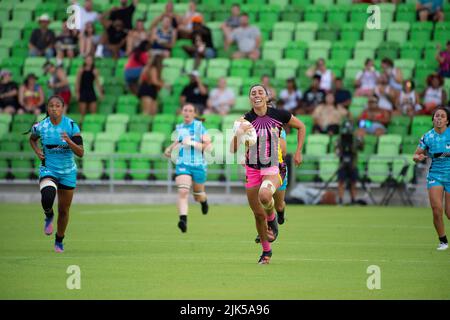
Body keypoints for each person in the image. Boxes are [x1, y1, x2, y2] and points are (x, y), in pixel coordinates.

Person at [230, 84, 306, 264]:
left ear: (266, 96)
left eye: (260, 92)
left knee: (265, 196)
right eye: (253, 93)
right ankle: (266, 252)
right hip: (253, 169)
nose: (257, 95)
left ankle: (273, 219)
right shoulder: (244, 120)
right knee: (257, 215)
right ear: (250, 98)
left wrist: (298, 151)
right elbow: (232, 149)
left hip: (274, 166)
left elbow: (301, 126)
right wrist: (238, 134)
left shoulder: (280, 115)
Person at [29, 95, 84, 253]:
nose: (54, 108)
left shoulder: (71, 125)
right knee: (47, 197)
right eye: (51, 105)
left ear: (63, 108)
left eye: (57, 105)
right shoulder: (41, 126)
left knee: (64, 210)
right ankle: (48, 215)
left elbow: (81, 153)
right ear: (47, 108)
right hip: (49, 169)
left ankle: (59, 240)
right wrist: (38, 151)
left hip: (68, 172)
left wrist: (69, 141)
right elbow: (32, 139)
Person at [163, 103, 211, 233]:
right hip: (183, 164)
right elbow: (178, 141)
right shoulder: (179, 127)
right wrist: (169, 149)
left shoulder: (199, 127)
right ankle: (183, 220)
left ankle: (203, 201)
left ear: (194, 114)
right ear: (182, 112)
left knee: (198, 195)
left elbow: (208, 146)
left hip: (198, 166)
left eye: (190, 111)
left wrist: (192, 143)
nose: (187, 113)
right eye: (185, 110)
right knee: (183, 191)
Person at [413, 106, 450, 250]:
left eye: (442, 116)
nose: (439, 118)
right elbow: (415, 155)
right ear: (433, 119)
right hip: (435, 175)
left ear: (447, 121)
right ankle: (443, 241)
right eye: (436, 116)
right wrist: (419, 157)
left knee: (449, 213)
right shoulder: (427, 136)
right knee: (436, 209)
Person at [255, 127, 289, 244]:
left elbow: (283, 152)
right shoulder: (254, 127)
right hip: (260, 170)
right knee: (263, 198)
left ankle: (280, 213)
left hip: (277, 169)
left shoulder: (278, 128)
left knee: (278, 205)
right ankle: (266, 228)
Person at [335, 120, 363, 205]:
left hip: (353, 163)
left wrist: (360, 139)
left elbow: (361, 148)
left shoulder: (355, 139)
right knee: (341, 182)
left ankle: (353, 200)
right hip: (342, 163)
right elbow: (337, 151)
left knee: (353, 182)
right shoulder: (339, 139)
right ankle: (340, 199)